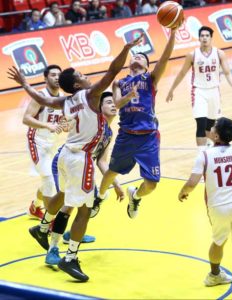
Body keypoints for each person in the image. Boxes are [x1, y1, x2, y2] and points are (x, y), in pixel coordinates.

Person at [8, 34, 143, 282]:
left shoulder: (66, 101)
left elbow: (42, 99)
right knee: (85, 208)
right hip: (80, 158)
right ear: (78, 85)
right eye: (81, 74)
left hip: (67, 155)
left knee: (66, 199)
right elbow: (113, 71)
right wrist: (125, 48)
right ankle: (70, 258)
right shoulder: (91, 95)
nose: (84, 75)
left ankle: (42, 227)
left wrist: (25, 84)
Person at [178, 117, 232, 300]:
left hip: (217, 207)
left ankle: (214, 275)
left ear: (216, 135)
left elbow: (191, 183)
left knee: (218, 241)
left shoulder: (204, 155)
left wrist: (183, 192)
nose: (210, 129)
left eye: (212, 128)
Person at [96, 26, 180, 219]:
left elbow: (166, 57)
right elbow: (116, 104)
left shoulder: (150, 78)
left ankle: (135, 196)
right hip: (126, 135)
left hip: (148, 137)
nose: (137, 57)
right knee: (111, 172)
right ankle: (99, 197)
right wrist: (128, 96)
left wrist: (173, 33)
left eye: (142, 57)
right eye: (135, 55)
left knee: (151, 184)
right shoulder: (119, 82)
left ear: (147, 66)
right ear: (129, 63)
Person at [45, 92, 125, 265]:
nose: (114, 105)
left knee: (90, 202)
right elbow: (71, 120)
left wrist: (116, 184)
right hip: (68, 161)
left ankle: (70, 234)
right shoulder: (93, 121)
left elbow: (102, 161)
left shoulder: (109, 132)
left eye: (114, 102)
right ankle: (52, 247)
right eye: (109, 102)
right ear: (99, 107)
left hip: (83, 166)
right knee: (69, 204)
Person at [166, 26, 232, 152]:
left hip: (214, 91)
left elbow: (227, 72)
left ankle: (213, 146)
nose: (204, 38)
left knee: (210, 126)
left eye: (207, 36)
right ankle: (202, 155)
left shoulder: (219, 53)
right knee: (200, 124)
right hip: (198, 91)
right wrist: (172, 89)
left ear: (211, 38)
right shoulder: (192, 55)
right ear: (199, 38)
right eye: (202, 36)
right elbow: (182, 73)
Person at [23, 64, 63, 220]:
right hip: (36, 142)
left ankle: (35, 206)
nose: (57, 77)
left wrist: (64, 125)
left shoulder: (62, 98)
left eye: (59, 74)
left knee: (51, 180)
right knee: (48, 178)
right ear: (45, 78)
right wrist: (47, 125)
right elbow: (26, 119)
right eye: (53, 75)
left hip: (52, 142)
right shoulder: (40, 96)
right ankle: (50, 221)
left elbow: (62, 122)